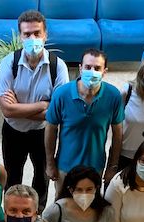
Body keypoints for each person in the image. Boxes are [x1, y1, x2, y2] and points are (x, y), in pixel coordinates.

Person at [0, 9, 70, 212]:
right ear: (20, 37)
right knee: (12, 175)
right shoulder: (9, 63)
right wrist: (43, 105)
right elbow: (7, 110)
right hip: (13, 131)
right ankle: (12, 212)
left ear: (45, 35)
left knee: (42, 175)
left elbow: (58, 113)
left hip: (43, 132)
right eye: (27, 34)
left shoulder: (58, 67)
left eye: (37, 33)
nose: (32, 38)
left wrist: (18, 107)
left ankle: (38, 212)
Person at [45, 48, 124, 193]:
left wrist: (112, 166)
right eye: (88, 67)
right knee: (63, 203)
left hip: (95, 167)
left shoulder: (113, 96)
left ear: (104, 72)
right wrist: (50, 163)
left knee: (92, 204)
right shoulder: (62, 94)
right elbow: (50, 128)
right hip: (65, 167)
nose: (92, 72)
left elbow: (118, 133)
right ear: (80, 68)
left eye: (97, 68)